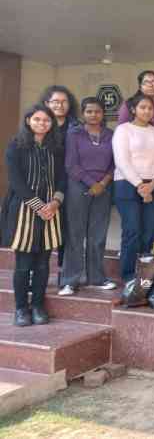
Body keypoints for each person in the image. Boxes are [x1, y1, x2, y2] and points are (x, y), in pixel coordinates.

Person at [1, 105, 65, 326]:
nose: (42, 124)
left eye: (46, 120)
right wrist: (39, 206)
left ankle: (38, 305)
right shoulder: (16, 146)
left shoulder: (56, 147)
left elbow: (62, 178)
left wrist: (55, 202)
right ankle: (21, 308)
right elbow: (16, 181)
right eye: (37, 119)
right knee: (23, 264)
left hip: (51, 210)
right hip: (24, 211)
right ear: (28, 120)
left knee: (43, 264)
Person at [60, 98, 116, 296]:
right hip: (78, 186)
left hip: (104, 188)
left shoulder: (110, 134)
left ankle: (97, 278)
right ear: (83, 113)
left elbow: (113, 163)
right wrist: (92, 183)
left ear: (103, 114)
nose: (94, 115)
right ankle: (70, 280)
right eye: (90, 111)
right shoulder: (73, 134)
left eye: (98, 112)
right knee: (75, 235)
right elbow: (70, 164)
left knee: (98, 235)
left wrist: (103, 183)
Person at [113, 94, 154, 281]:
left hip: (153, 185)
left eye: (150, 108)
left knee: (151, 231)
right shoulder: (123, 130)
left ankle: (146, 275)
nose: (147, 111)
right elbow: (121, 160)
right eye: (142, 107)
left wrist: (153, 183)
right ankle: (128, 275)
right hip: (127, 185)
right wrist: (140, 185)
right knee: (132, 230)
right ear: (133, 109)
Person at [39, 85, 78, 280]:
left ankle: (64, 271)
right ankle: (37, 273)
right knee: (40, 230)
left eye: (64, 101)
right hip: (43, 184)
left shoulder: (76, 127)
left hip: (70, 184)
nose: (60, 105)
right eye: (55, 101)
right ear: (46, 103)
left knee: (66, 229)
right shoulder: (40, 125)